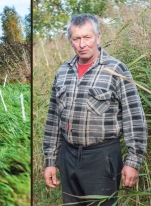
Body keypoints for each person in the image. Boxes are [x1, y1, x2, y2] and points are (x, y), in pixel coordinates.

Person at [42, 14, 148, 205]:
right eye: (77, 38)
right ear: (70, 41)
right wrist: (50, 160)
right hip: (68, 155)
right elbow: (53, 119)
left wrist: (133, 162)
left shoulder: (116, 70)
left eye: (87, 37)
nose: (82, 44)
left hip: (102, 158)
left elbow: (134, 118)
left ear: (98, 37)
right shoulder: (62, 72)